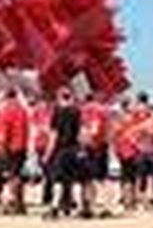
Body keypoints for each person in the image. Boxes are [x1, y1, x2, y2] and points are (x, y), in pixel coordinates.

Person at [44, 87, 82, 219]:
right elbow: (80, 132)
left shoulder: (58, 112)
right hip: (74, 149)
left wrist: (47, 153)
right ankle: (76, 207)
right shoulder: (77, 112)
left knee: (58, 180)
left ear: (60, 97)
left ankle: (54, 207)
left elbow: (53, 134)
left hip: (61, 149)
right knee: (74, 179)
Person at [79, 93, 110, 218]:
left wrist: (83, 142)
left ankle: (88, 206)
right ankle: (102, 206)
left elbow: (91, 129)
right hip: (99, 147)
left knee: (87, 179)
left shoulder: (84, 111)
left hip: (89, 148)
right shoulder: (101, 110)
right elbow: (97, 130)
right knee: (100, 178)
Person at [0, 89, 29, 214]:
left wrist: (3, 147)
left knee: (10, 176)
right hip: (21, 147)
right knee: (18, 175)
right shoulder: (22, 110)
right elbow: (27, 129)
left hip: (10, 147)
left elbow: (5, 131)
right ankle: (20, 202)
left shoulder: (6, 111)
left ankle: (10, 202)